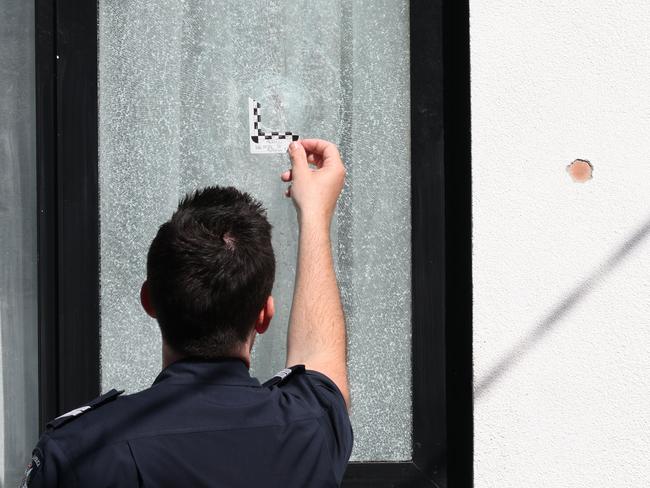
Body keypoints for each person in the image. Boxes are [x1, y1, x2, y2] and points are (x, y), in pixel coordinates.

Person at [22, 140, 352, 487]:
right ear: (264, 315)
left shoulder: (79, 451)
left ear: (149, 300)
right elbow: (320, 357)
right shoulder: (308, 430)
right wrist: (314, 215)